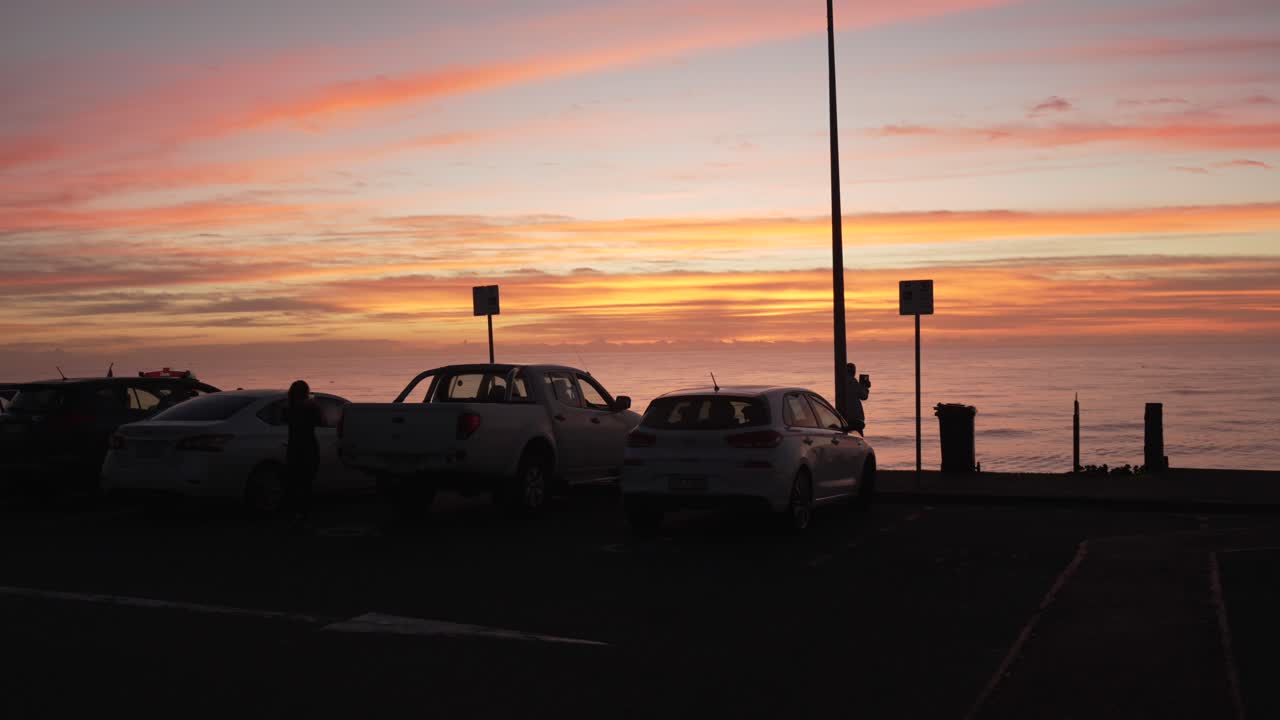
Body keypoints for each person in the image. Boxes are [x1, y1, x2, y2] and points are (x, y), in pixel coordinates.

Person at [283, 380, 322, 530]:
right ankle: (303, 517)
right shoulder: (311, 409)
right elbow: (323, 421)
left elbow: (283, 418)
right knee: (306, 484)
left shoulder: (288, 409)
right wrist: (314, 406)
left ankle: (294, 516)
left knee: (294, 484)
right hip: (308, 448)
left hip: (293, 449)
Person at [841, 362, 870, 435]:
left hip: (845, 415)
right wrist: (865, 387)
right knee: (858, 438)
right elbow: (864, 396)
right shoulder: (852, 382)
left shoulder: (842, 382)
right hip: (855, 417)